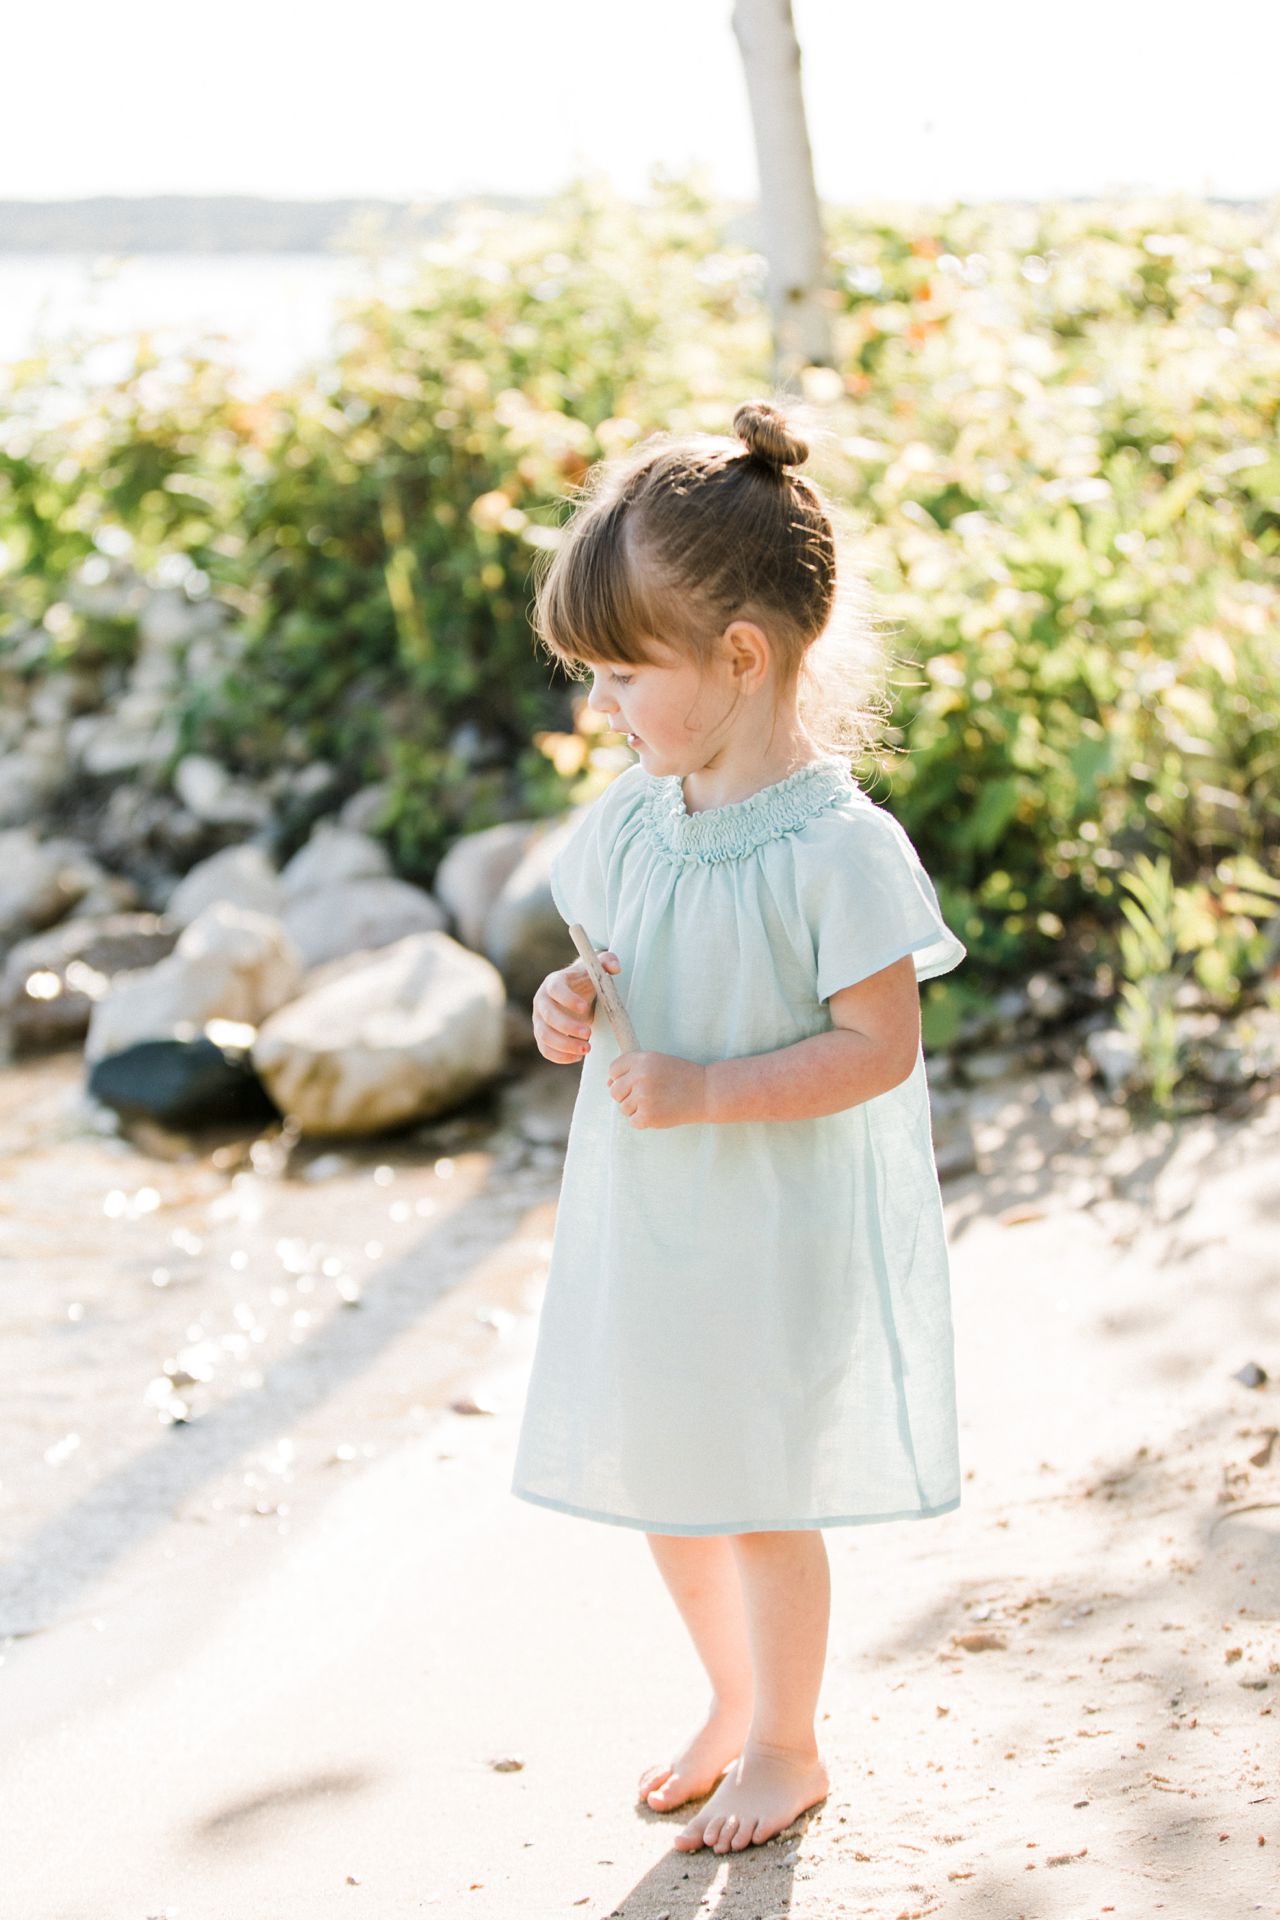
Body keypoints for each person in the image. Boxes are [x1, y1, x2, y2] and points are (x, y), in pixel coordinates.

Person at [510, 396, 967, 1857]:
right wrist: (569, 1003)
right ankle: (727, 1696)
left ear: (741, 658)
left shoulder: (835, 847)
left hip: (774, 1225)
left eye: (619, 675)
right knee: (670, 1477)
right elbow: (615, 958)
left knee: (761, 1492)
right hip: (657, 1223)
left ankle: (788, 1736)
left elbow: (878, 1048)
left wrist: (710, 1089)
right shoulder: (642, 815)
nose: (602, 711)